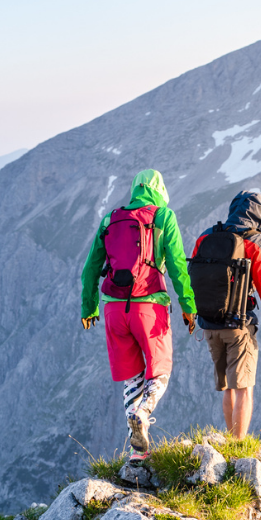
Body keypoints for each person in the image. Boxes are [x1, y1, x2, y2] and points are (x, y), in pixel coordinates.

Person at [80, 168, 196, 455]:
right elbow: (179, 265)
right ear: (160, 190)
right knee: (160, 372)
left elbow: (90, 269)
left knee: (132, 376)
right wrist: (188, 306)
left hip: (113, 310)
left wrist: (89, 306)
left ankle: (137, 454)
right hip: (149, 306)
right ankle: (143, 413)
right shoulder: (163, 217)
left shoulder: (111, 219)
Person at [187, 189, 261, 438]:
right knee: (244, 388)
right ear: (259, 215)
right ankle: (238, 447)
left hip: (209, 326)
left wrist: (190, 314)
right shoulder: (256, 241)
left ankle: (232, 440)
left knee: (228, 387)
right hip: (239, 327)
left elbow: (192, 277)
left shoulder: (207, 236)